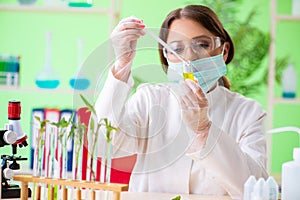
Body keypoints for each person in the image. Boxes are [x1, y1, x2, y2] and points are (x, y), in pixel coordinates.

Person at [95, 4, 268, 199]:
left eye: (202, 45)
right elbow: (106, 145)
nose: (190, 57)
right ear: (167, 57)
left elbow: (254, 188)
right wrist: (121, 64)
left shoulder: (247, 112)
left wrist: (204, 131)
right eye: (177, 49)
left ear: (224, 51)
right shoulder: (150, 100)